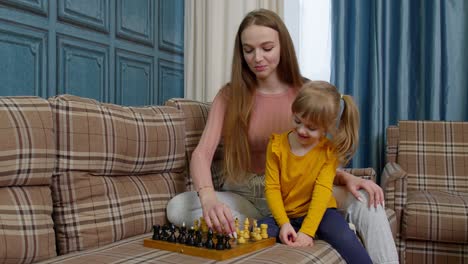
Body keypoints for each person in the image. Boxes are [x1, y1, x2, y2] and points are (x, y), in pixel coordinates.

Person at [167, 8, 398, 264]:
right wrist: (208, 198)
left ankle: (295, 223)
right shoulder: (230, 95)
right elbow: (202, 153)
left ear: (283, 46)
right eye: (248, 50)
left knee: (369, 201)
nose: (257, 58)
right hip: (246, 197)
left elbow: (317, 156)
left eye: (267, 48)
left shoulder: (305, 90)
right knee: (177, 207)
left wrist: (345, 177)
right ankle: (274, 225)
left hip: (301, 191)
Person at [259, 81, 371, 263]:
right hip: (287, 214)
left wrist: (307, 232)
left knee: (345, 238)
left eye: (311, 128)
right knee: (256, 232)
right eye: (297, 121)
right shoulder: (276, 145)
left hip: (322, 212)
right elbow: (272, 188)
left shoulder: (328, 152)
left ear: (326, 128)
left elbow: (322, 192)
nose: (301, 130)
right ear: (293, 112)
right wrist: (284, 223)